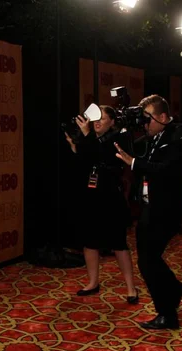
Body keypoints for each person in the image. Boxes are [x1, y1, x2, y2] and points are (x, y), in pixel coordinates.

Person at [114, 94, 182, 329]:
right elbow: (129, 151)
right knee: (149, 259)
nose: (145, 124)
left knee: (148, 262)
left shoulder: (177, 135)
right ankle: (175, 289)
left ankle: (167, 313)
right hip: (150, 207)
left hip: (166, 210)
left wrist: (135, 163)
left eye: (148, 118)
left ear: (164, 117)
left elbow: (168, 170)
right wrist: (126, 128)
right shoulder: (154, 137)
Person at [65, 105, 138, 304]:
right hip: (90, 198)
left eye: (102, 119)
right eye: (94, 119)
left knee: (118, 244)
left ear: (113, 122)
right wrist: (74, 148)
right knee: (89, 242)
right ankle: (93, 282)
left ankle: (131, 287)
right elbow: (82, 165)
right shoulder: (88, 140)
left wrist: (87, 136)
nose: (96, 122)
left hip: (110, 199)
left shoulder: (118, 139)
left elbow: (104, 157)